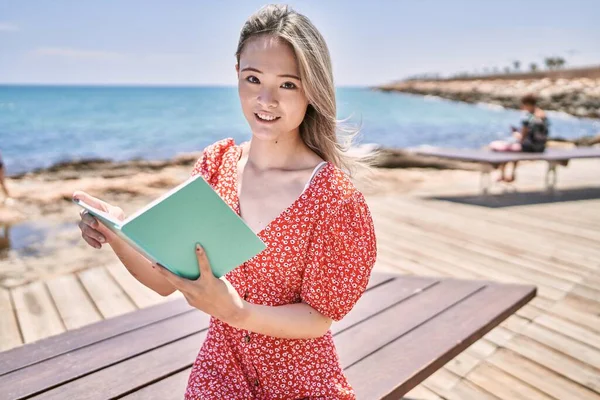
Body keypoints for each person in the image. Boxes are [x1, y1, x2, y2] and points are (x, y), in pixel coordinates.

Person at [73, 4, 377, 399]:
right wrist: (116, 231)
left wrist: (237, 313)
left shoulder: (334, 199)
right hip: (219, 375)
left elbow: (319, 318)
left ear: (312, 89)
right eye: (253, 79)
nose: (266, 99)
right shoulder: (217, 167)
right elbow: (166, 280)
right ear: (237, 75)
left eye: (287, 84)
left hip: (301, 384)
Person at [488, 94, 550, 182]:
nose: (522, 107)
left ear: (527, 104)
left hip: (531, 147)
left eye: (523, 105)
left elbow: (523, 136)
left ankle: (503, 174)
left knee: (507, 149)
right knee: (515, 148)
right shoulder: (543, 114)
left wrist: (517, 135)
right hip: (541, 147)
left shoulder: (528, 117)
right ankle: (512, 174)